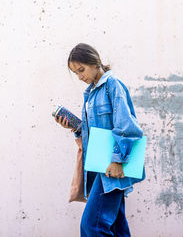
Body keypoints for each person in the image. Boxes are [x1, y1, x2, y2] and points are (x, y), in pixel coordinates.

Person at [55, 43, 145, 237]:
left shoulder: (113, 86)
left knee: (92, 225)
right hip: (100, 166)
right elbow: (94, 131)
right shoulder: (90, 94)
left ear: (94, 62)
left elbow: (127, 126)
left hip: (112, 168)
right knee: (117, 227)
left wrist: (117, 160)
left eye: (82, 69)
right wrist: (76, 129)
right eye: (75, 73)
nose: (80, 77)